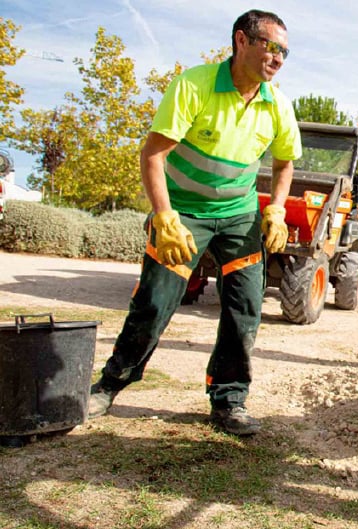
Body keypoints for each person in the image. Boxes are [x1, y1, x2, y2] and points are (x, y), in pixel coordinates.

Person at [87, 9, 302, 436]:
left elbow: (284, 164)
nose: (278, 59)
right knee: (154, 303)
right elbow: (153, 154)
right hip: (184, 214)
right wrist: (165, 217)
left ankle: (229, 399)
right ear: (242, 41)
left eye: (285, 51)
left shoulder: (277, 104)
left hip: (239, 217)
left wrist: (275, 209)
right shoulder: (194, 85)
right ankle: (110, 384)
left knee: (245, 307)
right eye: (271, 47)